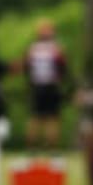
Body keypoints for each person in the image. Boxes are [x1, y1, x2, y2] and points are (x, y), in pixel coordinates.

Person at [20, 18, 69, 151]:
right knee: (52, 118)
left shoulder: (33, 48)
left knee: (36, 117)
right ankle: (51, 148)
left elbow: (25, 67)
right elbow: (64, 67)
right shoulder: (56, 48)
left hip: (37, 86)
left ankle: (31, 147)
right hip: (51, 85)